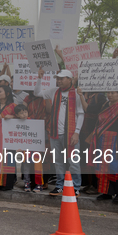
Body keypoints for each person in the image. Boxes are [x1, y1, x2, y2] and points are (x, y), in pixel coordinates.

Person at [35, 68, 84, 196]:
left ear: (70, 80)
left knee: (73, 161)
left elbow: (81, 114)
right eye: (57, 78)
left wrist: (77, 132)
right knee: (58, 161)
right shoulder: (54, 92)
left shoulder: (77, 94)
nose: (59, 81)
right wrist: (39, 78)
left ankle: (76, 186)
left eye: (61, 78)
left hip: (71, 134)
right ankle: (59, 186)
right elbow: (37, 93)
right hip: (55, 133)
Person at [90, 91, 118, 203]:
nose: (110, 95)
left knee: (115, 166)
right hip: (103, 139)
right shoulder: (105, 105)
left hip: (115, 141)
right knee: (103, 166)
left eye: (113, 93)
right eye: (109, 93)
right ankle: (106, 192)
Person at [76, 89, 107, 194]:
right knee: (84, 158)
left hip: (93, 132)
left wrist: (81, 96)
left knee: (94, 158)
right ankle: (87, 183)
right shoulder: (84, 95)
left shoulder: (100, 96)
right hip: (82, 131)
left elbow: (88, 109)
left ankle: (96, 185)